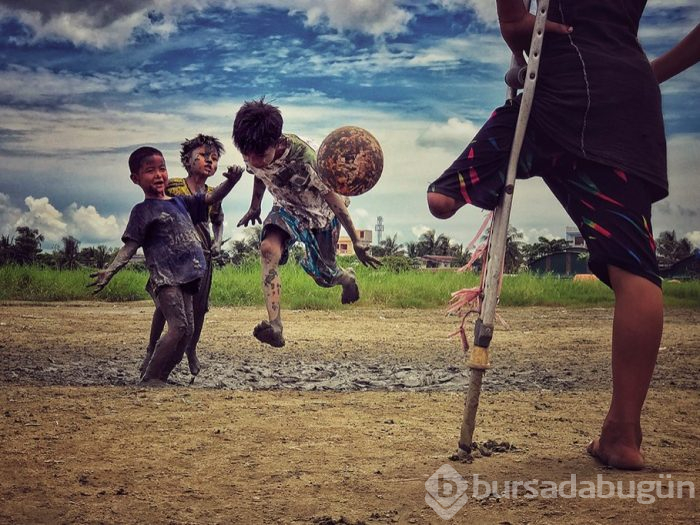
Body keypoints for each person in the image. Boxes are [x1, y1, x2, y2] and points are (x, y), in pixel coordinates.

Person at [427, 1, 698, 469]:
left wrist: (513, 20)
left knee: (441, 198)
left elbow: (517, 24)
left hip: (556, 95)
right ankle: (622, 433)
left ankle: (462, 190)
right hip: (630, 101)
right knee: (635, 267)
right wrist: (643, 75)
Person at [232, 98, 381, 348]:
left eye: (259, 155)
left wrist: (355, 239)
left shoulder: (308, 159)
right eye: (247, 155)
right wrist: (255, 206)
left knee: (324, 275)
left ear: (277, 142)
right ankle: (276, 326)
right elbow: (258, 174)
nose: (252, 160)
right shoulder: (252, 150)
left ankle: (346, 278)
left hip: (321, 214)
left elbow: (335, 202)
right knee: (268, 249)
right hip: (287, 206)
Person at [89, 146, 243, 386]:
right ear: (135, 179)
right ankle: (151, 377)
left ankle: (161, 376)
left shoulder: (180, 202)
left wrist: (232, 182)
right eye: (150, 171)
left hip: (189, 276)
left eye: (162, 169)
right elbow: (129, 247)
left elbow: (211, 198)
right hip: (166, 277)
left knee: (188, 330)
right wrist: (110, 270)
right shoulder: (142, 211)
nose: (159, 175)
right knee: (178, 326)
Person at [139, 134, 228, 380]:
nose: (209, 162)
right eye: (203, 156)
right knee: (165, 306)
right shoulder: (172, 186)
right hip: (173, 257)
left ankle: (191, 350)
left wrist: (218, 242)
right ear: (187, 161)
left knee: (199, 309)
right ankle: (152, 350)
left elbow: (218, 221)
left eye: (214, 158)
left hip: (202, 257)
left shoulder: (214, 192)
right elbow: (153, 209)